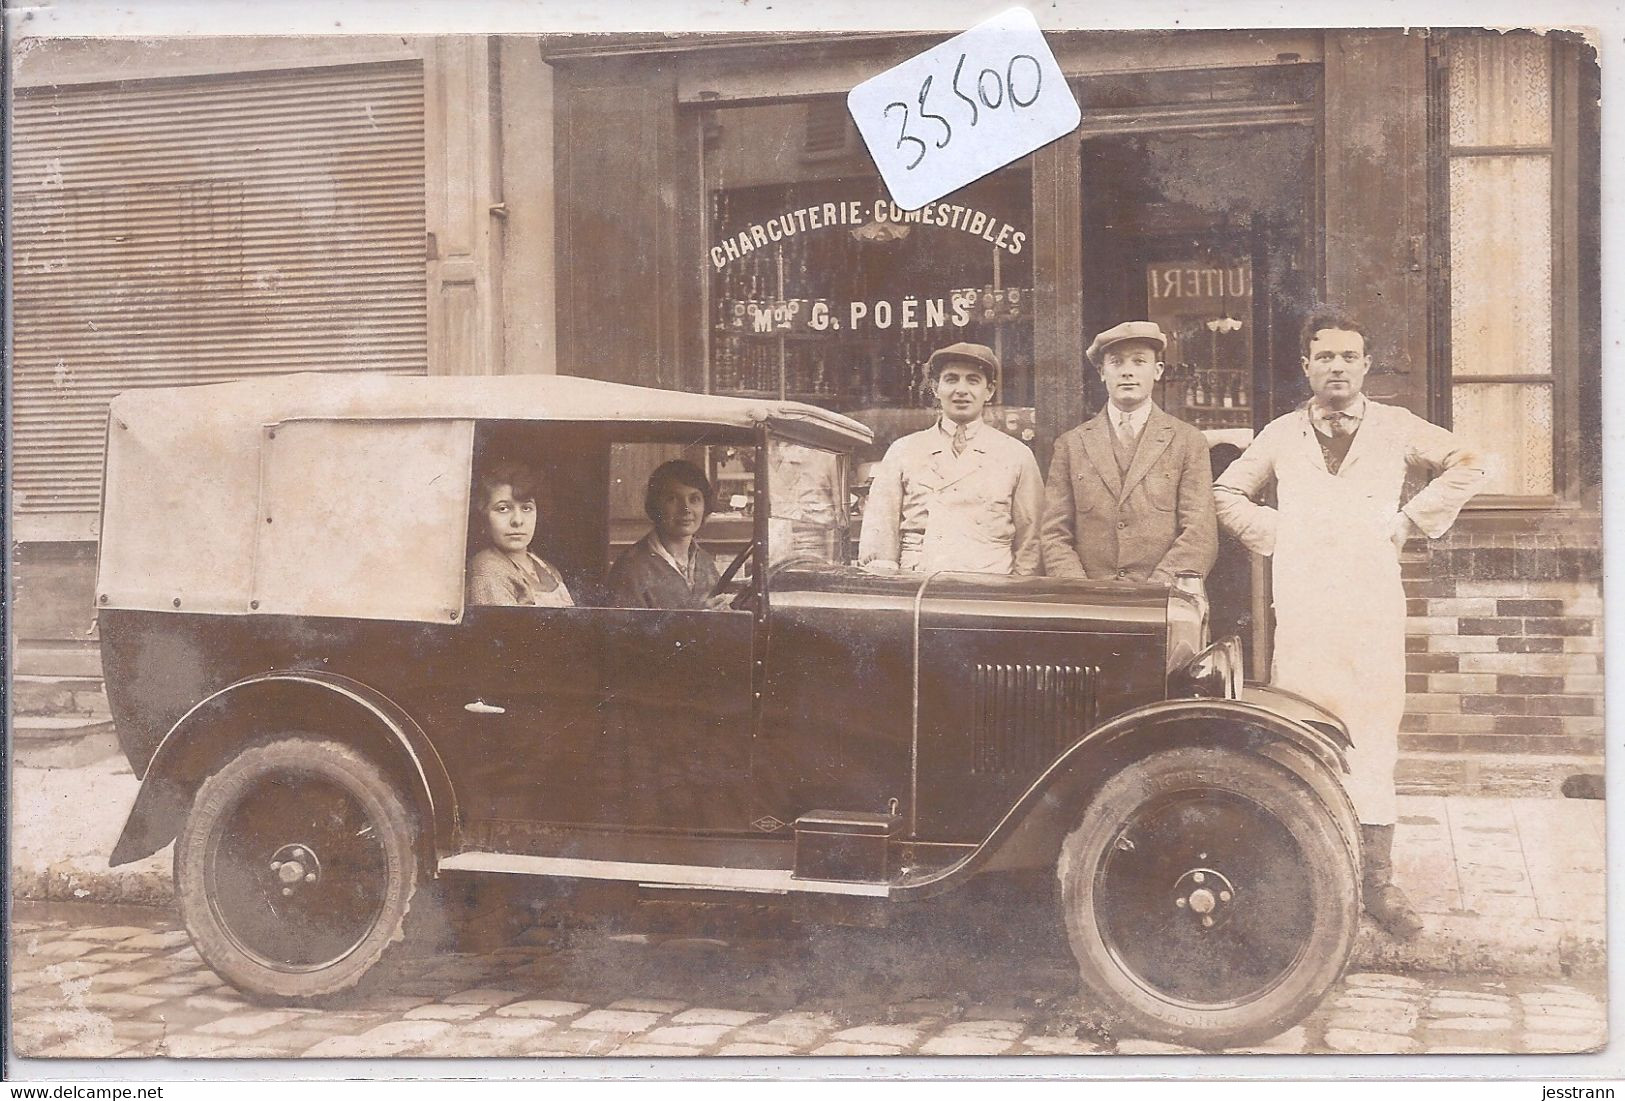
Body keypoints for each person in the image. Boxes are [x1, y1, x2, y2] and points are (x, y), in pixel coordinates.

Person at [1213, 307, 1485, 939]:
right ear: (1307, 367)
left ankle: (1375, 883)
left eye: (1348, 356)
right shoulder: (1282, 433)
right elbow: (1227, 494)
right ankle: (1307, 873)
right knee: (1301, 735)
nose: (1337, 367)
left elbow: (1469, 461)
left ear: (1365, 365)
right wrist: (1280, 534)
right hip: (1304, 610)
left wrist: (1409, 520)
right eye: (1325, 357)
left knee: (1371, 737)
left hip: (1371, 608)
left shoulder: (1395, 427)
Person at [1040, 321, 1217, 583]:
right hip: (1092, 606)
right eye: (1116, 362)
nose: (1127, 372)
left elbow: (1199, 534)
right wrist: (1080, 591)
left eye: (1138, 362)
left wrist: (1154, 593)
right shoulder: (1071, 445)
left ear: (1157, 371)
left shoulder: (1188, 441)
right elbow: (1054, 535)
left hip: (1163, 604)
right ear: (1101, 372)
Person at [858, 341, 1043, 575]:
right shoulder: (904, 451)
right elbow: (879, 538)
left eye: (973, 380)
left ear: (990, 390)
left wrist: (1013, 596)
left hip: (992, 589)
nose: (961, 390)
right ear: (935, 388)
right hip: (919, 587)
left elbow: (1031, 542)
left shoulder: (1016, 455)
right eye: (951, 379)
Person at [608, 459, 728, 610]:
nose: (685, 509)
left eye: (694, 499)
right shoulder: (630, 568)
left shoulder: (705, 562)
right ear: (655, 505)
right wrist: (694, 618)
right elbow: (623, 632)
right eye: (672, 499)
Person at [466, 461, 575, 607]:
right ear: (484, 515)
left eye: (526, 508)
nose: (517, 521)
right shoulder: (487, 569)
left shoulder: (547, 568)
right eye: (503, 509)